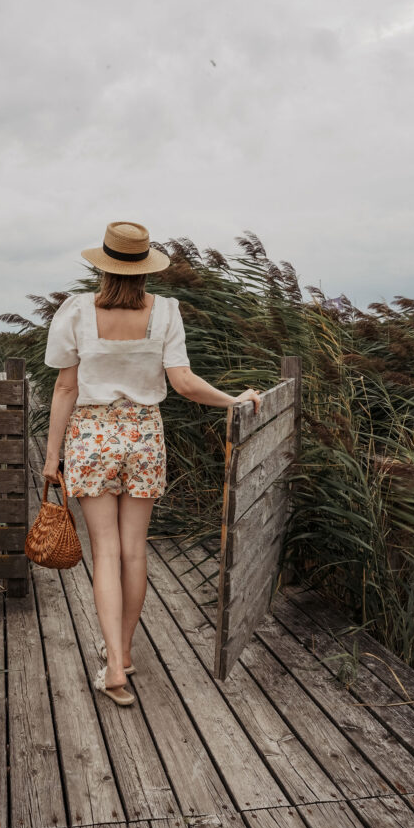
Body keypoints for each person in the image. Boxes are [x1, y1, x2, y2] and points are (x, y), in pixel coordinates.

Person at [42, 221, 261, 706]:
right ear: (144, 268)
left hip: (92, 436)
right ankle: (124, 654)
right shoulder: (165, 312)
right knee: (134, 551)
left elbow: (65, 388)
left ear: (103, 265)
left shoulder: (78, 310)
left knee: (105, 552)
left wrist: (52, 455)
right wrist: (234, 400)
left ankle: (114, 663)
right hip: (143, 435)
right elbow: (183, 382)